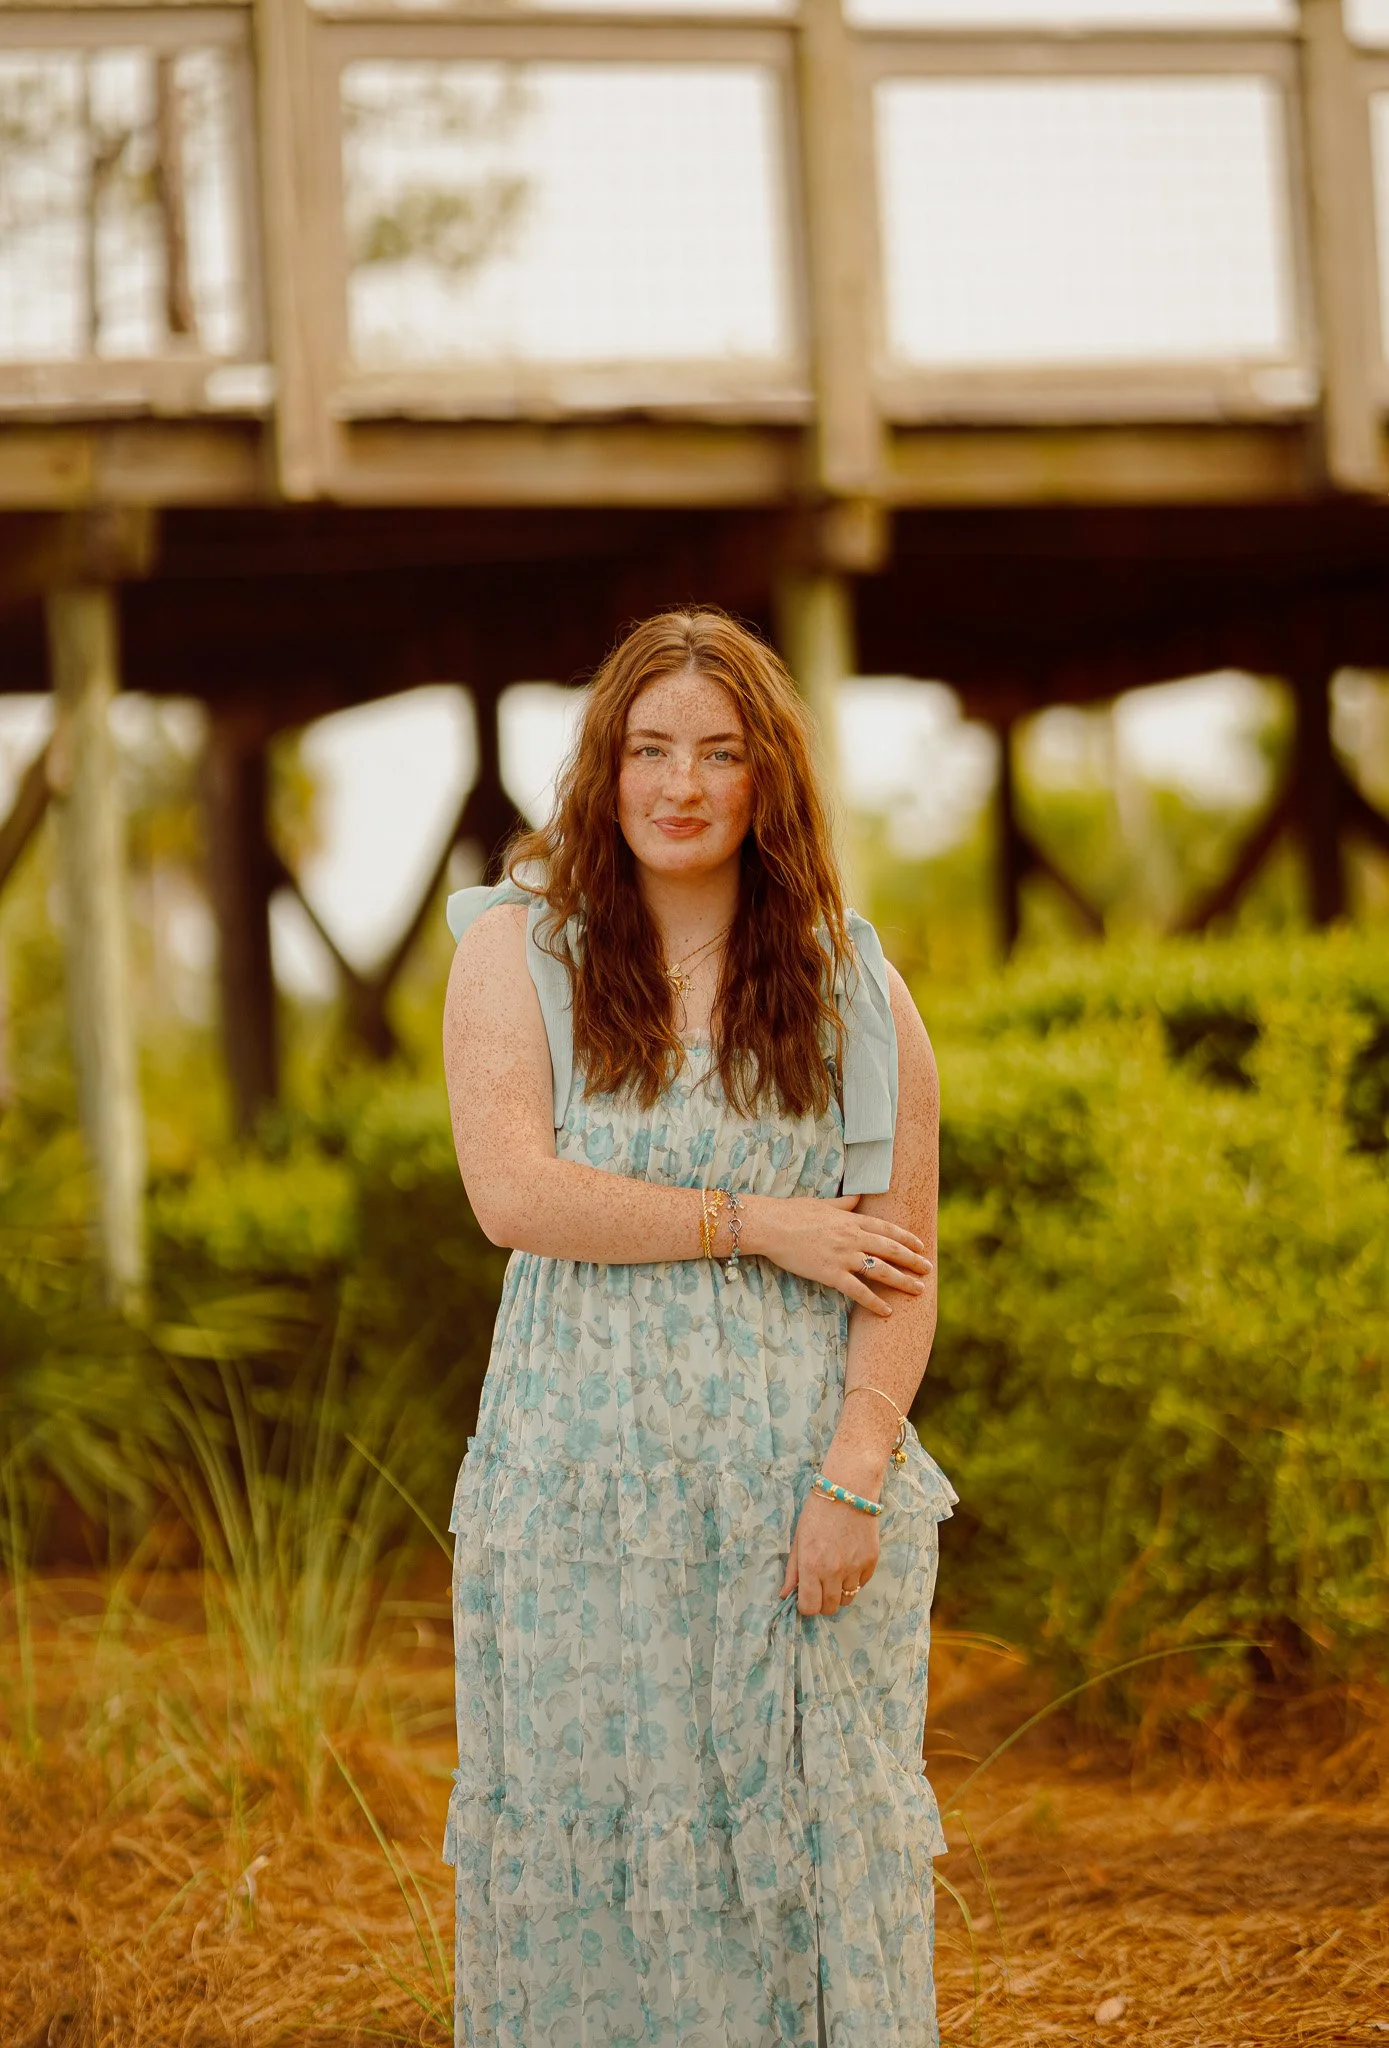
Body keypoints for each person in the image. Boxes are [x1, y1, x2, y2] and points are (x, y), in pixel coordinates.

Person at [441, 609, 956, 2048]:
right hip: (579, 1501)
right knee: (597, 1852)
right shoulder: (516, 954)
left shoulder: (855, 986)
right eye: (650, 749)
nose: (682, 784)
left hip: (793, 1503)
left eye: (721, 753)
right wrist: (760, 1222)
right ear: (603, 771)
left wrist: (855, 1476)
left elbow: (903, 1268)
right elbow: (515, 1196)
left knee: (794, 1860)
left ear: (767, 778)